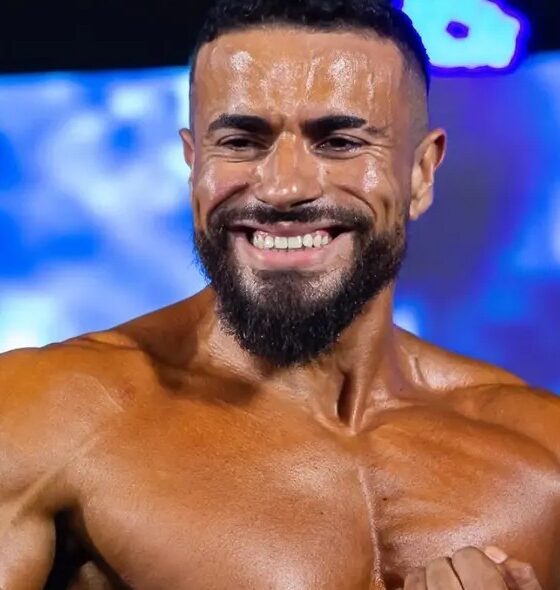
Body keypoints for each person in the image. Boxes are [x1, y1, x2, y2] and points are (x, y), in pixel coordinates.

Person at [1, 0, 558, 588]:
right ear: (194, 165)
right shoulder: (49, 415)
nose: (284, 187)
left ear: (420, 173)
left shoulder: (540, 448)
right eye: (241, 141)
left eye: (339, 141)